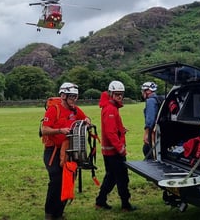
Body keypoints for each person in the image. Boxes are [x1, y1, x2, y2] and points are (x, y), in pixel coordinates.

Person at [40, 82, 91, 220]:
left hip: (69, 150)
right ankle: (49, 214)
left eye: (76, 97)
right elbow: (44, 129)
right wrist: (59, 130)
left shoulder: (75, 110)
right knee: (56, 180)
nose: (74, 100)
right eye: (71, 97)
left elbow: (86, 118)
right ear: (63, 96)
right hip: (53, 151)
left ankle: (59, 213)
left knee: (68, 179)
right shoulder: (53, 110)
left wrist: (87, 121)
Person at [95, 80, 136, 212]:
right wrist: (121, 149)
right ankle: (125, 204)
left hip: (110, 152)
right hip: (114, 152)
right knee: (122, 178)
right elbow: (110, 133)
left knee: (111, 177)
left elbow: (112, 129)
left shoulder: (109, 107)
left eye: (121, 94)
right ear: (111, 94)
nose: (120, 97)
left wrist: (121, 130)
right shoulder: (111, 109)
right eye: (117, 94)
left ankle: (100, 201)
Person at [141, 81, 160, 160]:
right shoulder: (157, 99)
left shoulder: (150, 101)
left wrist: (146, 134)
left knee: (147, 150)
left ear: (148, 91)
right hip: (157, 130)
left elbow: (150, 119)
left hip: (152, 131)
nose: (142, 93)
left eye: (143, 91)